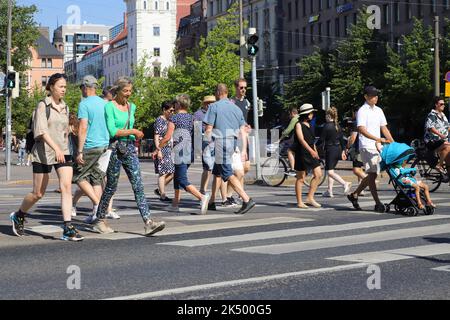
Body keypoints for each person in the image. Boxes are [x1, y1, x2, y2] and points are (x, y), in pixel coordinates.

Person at [10, 73, 84, 241]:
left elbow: (64, 130)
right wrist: (56, 148)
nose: (64, 90)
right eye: (61, 87)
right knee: (38, 193)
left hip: (63, 152)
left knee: (66, 187)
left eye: (65, 87)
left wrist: (73, 148)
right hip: (43, 152)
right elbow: (41, 132)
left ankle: (67, 226)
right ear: (51, 87)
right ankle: (19, 215)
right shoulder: (43, 105)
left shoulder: (64, 106)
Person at [92, 77, 165, 235]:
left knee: (138, 185)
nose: (128, 94)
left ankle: (148, 222)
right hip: (115, 149)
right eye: (125, 91)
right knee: (111, 186)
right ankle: (99, 220)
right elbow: (113, 131)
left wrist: (134, 135)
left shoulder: (132, 107)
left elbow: (129, 127)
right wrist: (133, 131)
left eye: (130, 91)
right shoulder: (109, 107)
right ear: (117, 91)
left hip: (130, 148)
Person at [205, 83, 256, 214]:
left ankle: (246, 199)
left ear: (217, 93)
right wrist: (244, 149)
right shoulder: (236, 109)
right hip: (232, 143)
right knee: (217, 172)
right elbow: (244, 130)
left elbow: (208, 129)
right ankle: (211, 202)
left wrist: (206, 145)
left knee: (227, 173)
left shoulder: (214, 106)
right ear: (227, 92)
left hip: (221, 143)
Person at [72, 75, 116, 223]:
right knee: (97, 179)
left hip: (90, 146)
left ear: (85, 87)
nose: (81, 91)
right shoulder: (105, 103)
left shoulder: (84, 104)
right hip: (104, 146)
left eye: (81, 88)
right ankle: (96, 214)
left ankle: (98, 204)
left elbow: (83, 127)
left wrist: (79, 150)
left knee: (79, 177)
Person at [158, 94, 210, 214]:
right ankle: (175, 204)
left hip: (179, 153)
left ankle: (202, 197)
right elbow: (198, 136)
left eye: (174, 104)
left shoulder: (174, 118)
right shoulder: (193, 118)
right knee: (177, 177)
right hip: (189, 152)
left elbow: (167, 137)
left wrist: (158, 148)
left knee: (181, 179)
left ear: (178, 104)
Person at [347, 86, 394, 213]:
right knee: (373, 174)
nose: (376, 97)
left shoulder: (378, 110)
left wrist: (393, 143)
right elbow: (361, 129)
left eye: (376, 95)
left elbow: (384, 128)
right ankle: (377, 203)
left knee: (373, 173)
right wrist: (377, 139)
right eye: (373, 96)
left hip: (377, 146)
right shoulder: (362, 111)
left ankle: (354, 194)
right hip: (367, 145)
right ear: (366, 97)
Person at [293, 104, 323, 209]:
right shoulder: (298, 125)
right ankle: (299, 201)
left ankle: (310, 197)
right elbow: (301, 140)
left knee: (318, 174)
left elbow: (311, 141)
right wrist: (311, 151)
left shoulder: (310, 125)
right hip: (302, 153)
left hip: (311, 153)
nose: (312, 115)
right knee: (301, 178)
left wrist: (315, 151)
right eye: (311, 113)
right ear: (306, 114)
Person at [321, 107, 352, 197]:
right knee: (331, 170)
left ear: (328, 115)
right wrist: (343, 150)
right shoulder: (337, 125)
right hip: (337, 149)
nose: (325, 117)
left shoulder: (326, 126)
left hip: (330, 150)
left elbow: (321, 139)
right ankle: (329, 190)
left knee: (330, 172)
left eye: (326, 115)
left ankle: (344, 183)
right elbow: (342, 139)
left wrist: (313, 146)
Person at [193, 95, 216, 195]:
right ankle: (203, 190)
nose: (211, 104)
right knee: (207, 168)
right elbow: (197, 132)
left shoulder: (215, 113)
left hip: (216, 143)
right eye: (209, 103)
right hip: (205, 145)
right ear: (205, 104)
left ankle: (220, 195)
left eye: (213, 103)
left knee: (216, 170)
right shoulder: (198, 115)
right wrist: (198, 148)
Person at [152, 100, 175, 202]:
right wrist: (158, 150)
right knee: (163, 173)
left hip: (169, 149)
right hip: (162, 149)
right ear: (164, 110)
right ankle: (163, 195)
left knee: (172, 172)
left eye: (173, 110)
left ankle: (159, 189)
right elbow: (156, 136)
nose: (172, 112)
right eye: (170, 110)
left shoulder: (169, 121)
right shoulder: (159, 120)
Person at [424, 96, 450, 180]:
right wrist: (440, 135)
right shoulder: (432, 115)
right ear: (436, 105)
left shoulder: (443, 115)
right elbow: (430, 127)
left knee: (449, 158)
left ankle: (448, 177)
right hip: (432, 141)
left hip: (441, 141)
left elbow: (447, 127)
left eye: (444, 104)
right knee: (447, 146)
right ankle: (439, 165)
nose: (443, 105)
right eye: (441, 104)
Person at [344, 109, 367, 196]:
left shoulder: (356, 123)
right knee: (360, 168)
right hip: (367, 147)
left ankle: (370, 180)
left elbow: (353, 138)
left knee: (356, 169)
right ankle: (361, 188)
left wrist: (347, 147)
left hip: (358, 149)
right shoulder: (366, 122)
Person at [278, 107, 299, 176]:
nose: (289, 116)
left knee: (289, 151)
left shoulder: (294, 119)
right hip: (300, 139)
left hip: (296, 139)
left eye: (290, 114)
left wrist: (280, 139)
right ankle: (294, 166)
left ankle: (292, 169)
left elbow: (288, 130)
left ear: (293, 113)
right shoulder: (300, 118)